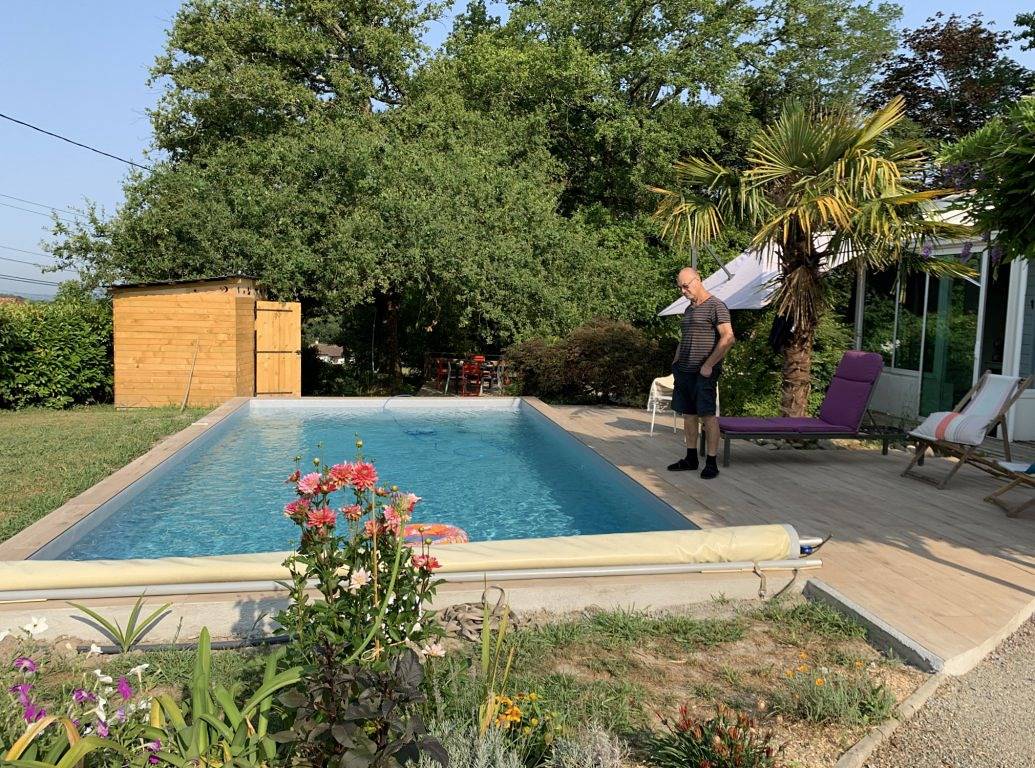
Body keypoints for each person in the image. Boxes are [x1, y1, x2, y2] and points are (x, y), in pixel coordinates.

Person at [667, 267, 735, 478]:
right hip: (684, 371)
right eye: (680, 287)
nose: (682, 291)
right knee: (688, 415)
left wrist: (709, 365)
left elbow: (728, 338)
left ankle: (712, 462)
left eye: (685, 286)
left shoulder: (716, 306)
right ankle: (691, 458)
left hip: (703, 372)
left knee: (707, 416)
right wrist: (676, 361)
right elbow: (685, 337)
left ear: (698, 281)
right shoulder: (689, 310)